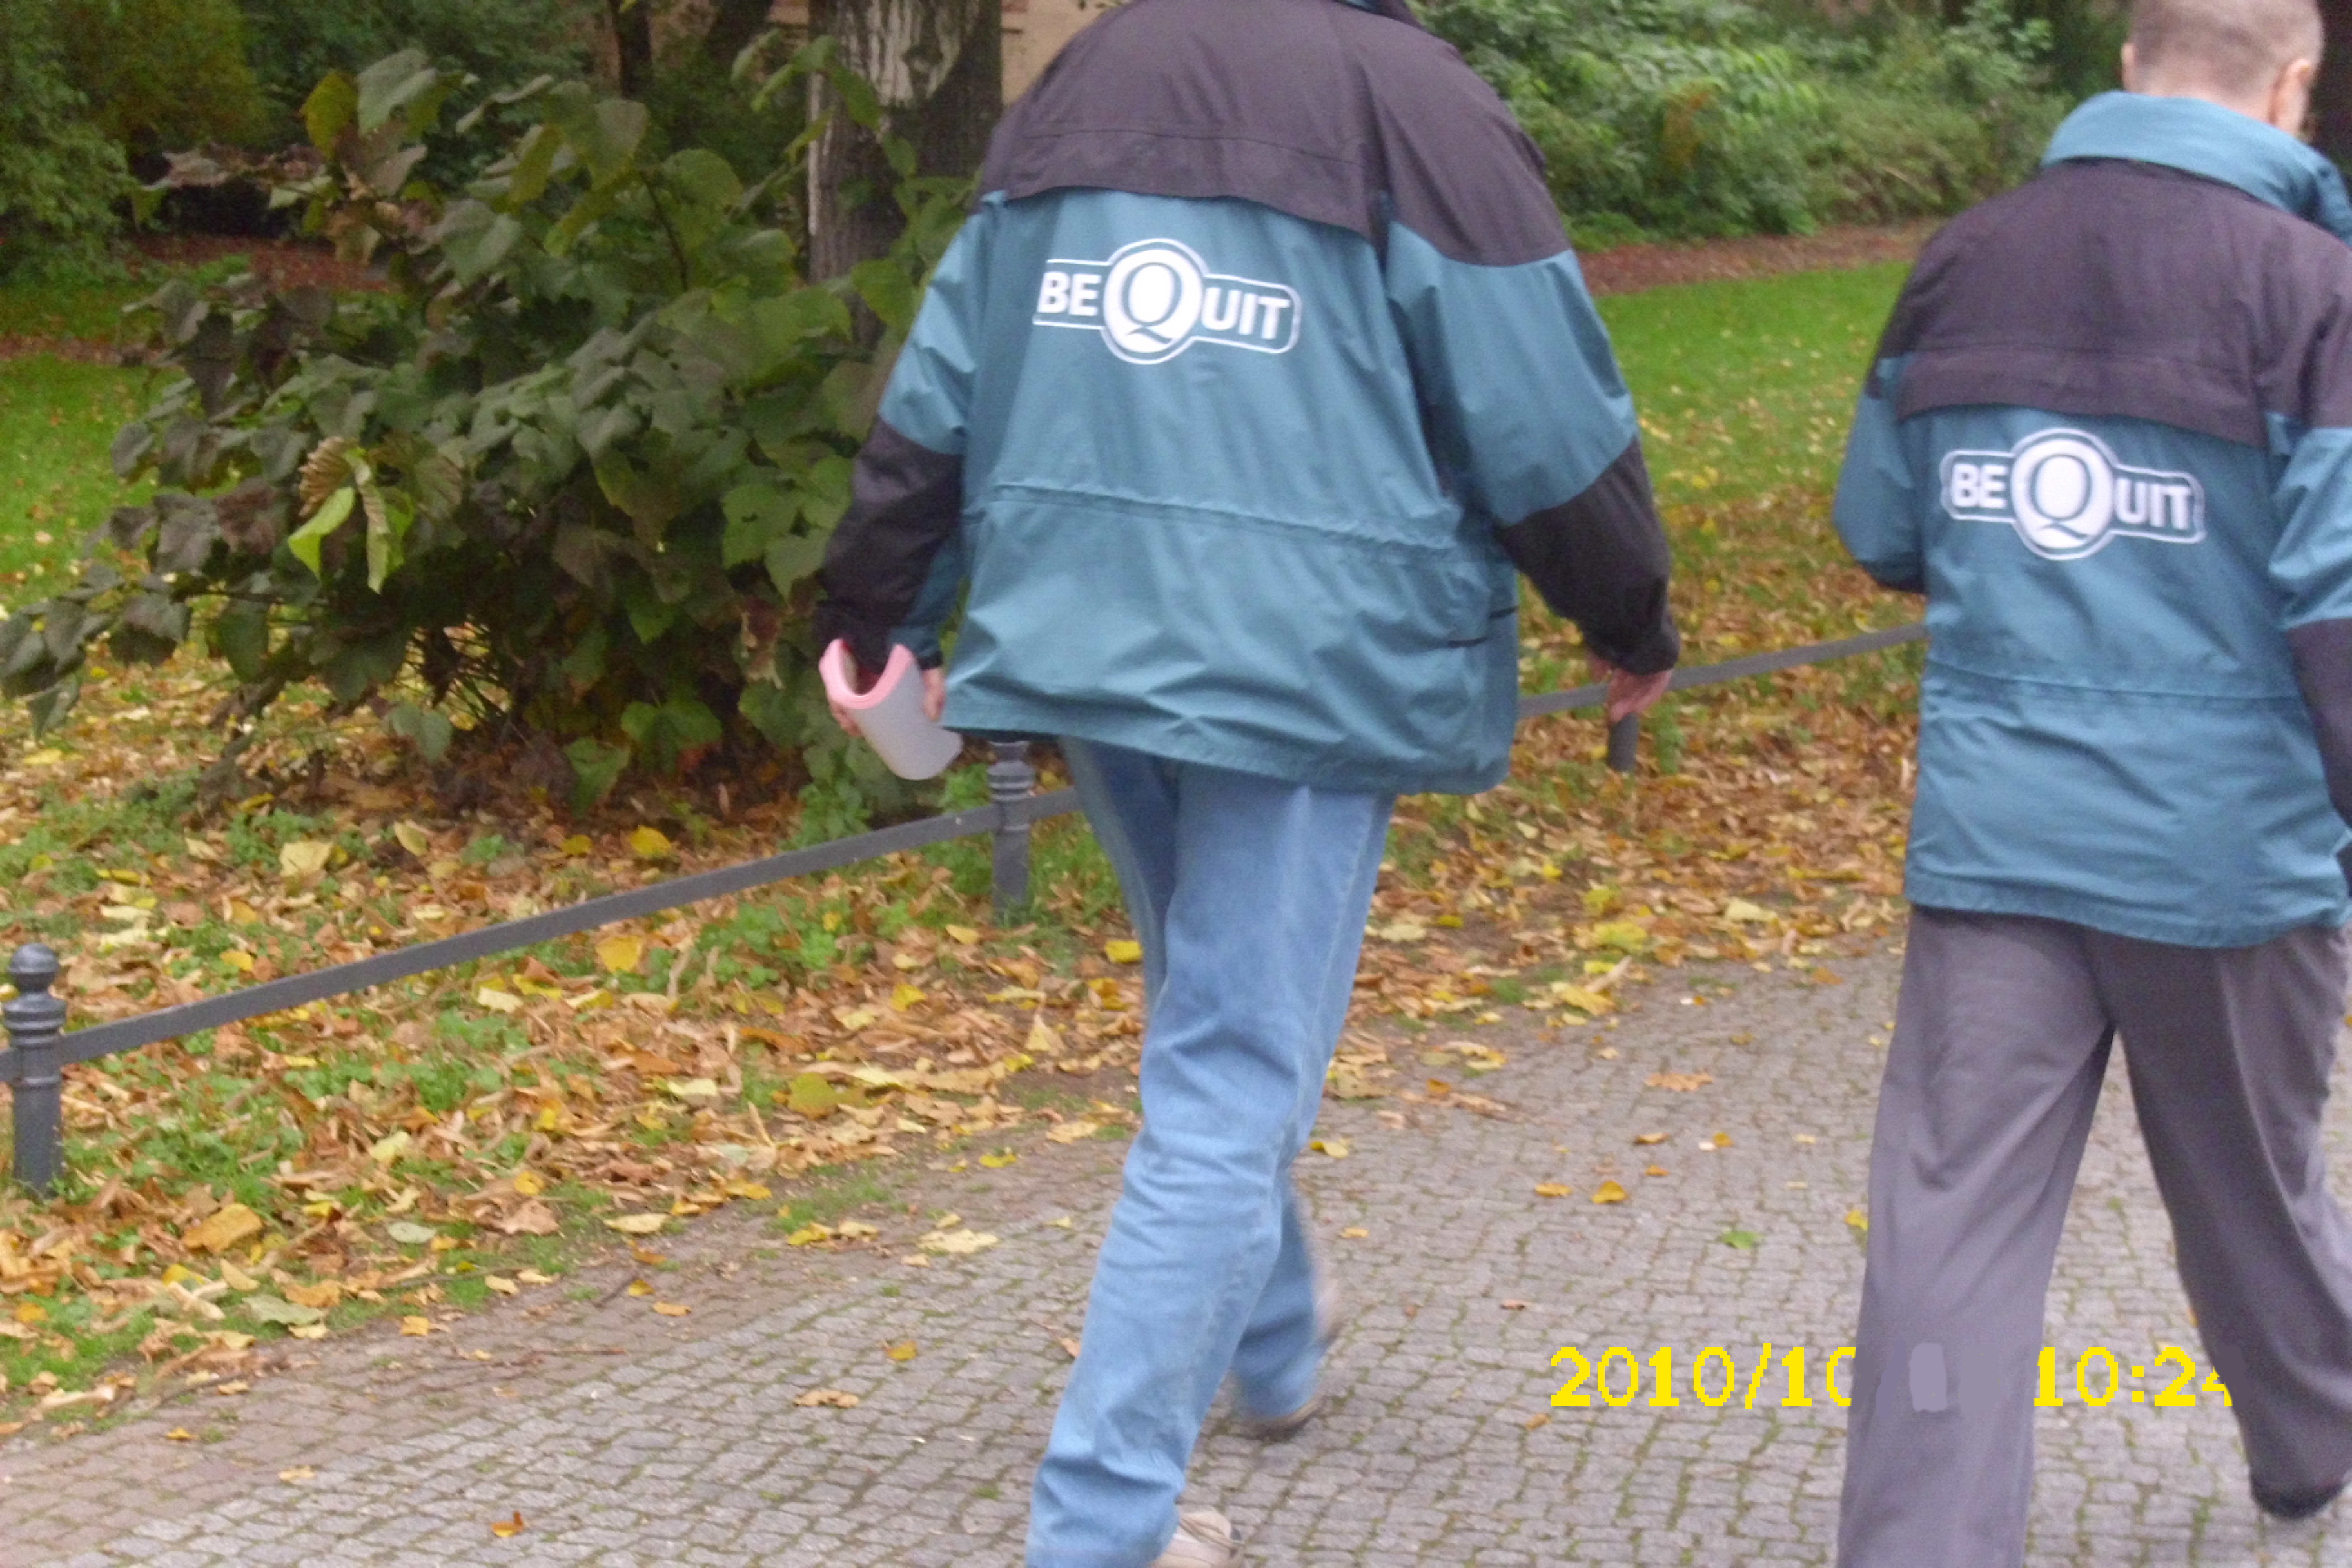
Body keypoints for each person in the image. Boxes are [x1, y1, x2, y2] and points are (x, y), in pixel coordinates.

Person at [812, 1, 1678, 1560]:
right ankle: (1103, 1522)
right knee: (1228, 1069)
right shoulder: (1421, 101)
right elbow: (1544, 416)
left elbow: (949, 375)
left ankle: (1272, 1336)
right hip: (1307, 664)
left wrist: (877, 601)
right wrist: (1627, 612)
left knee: (1209, 1019)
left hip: (1088, 629)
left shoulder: (1088, 81)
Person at [1828, 0, 2352, 1560]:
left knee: (1948, 1220)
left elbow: (1883, 523)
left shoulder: (1966, 258)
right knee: (2252, 1194)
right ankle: (2316, 1438)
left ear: (2128, 65)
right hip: (2228, 854)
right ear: (2295, 83)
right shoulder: (2314, 291)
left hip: (1999, 836)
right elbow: (2338, 601)